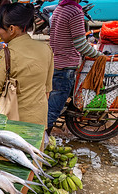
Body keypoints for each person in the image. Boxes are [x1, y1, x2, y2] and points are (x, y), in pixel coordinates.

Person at [0, 2, 54, 127]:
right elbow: (47, 91)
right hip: (38, 121)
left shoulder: (6, 55)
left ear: (11, 29)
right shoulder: (46, 49)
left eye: (0, 28)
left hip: (13, 123)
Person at [46, 0, 103, 132]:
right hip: (65, 66)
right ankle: (42, 141)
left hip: (55, 62)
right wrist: (99, 55)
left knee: (50, 105)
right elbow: (81, 45)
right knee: (53, 109)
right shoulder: (75, 12)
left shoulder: (60, 8)